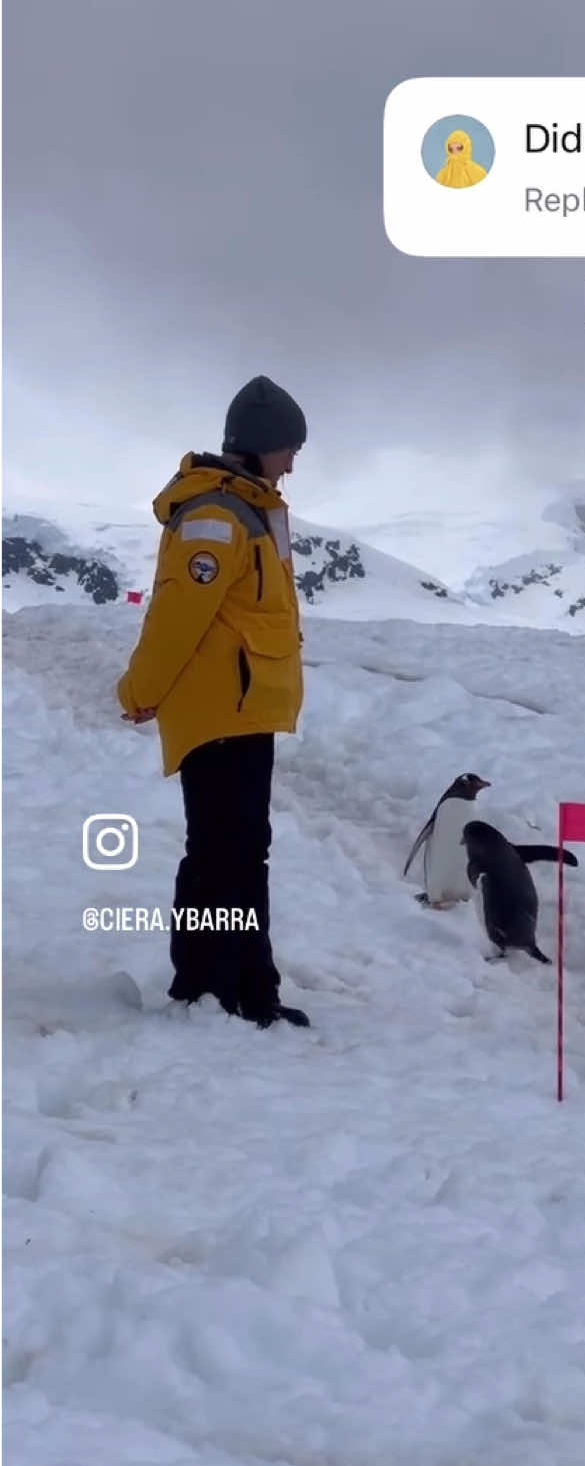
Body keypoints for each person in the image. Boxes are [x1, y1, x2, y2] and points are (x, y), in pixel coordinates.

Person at [117, 376, 310, 1028]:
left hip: (242, 707)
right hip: (222, 710)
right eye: (288, 448)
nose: (293, 461)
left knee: (228, 850)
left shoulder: (249, 508)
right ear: (259, 447)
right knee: (230, 853)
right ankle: (231, 991)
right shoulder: (217, 519)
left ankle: (218, 984)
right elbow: (176, 619)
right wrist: (140, 691)